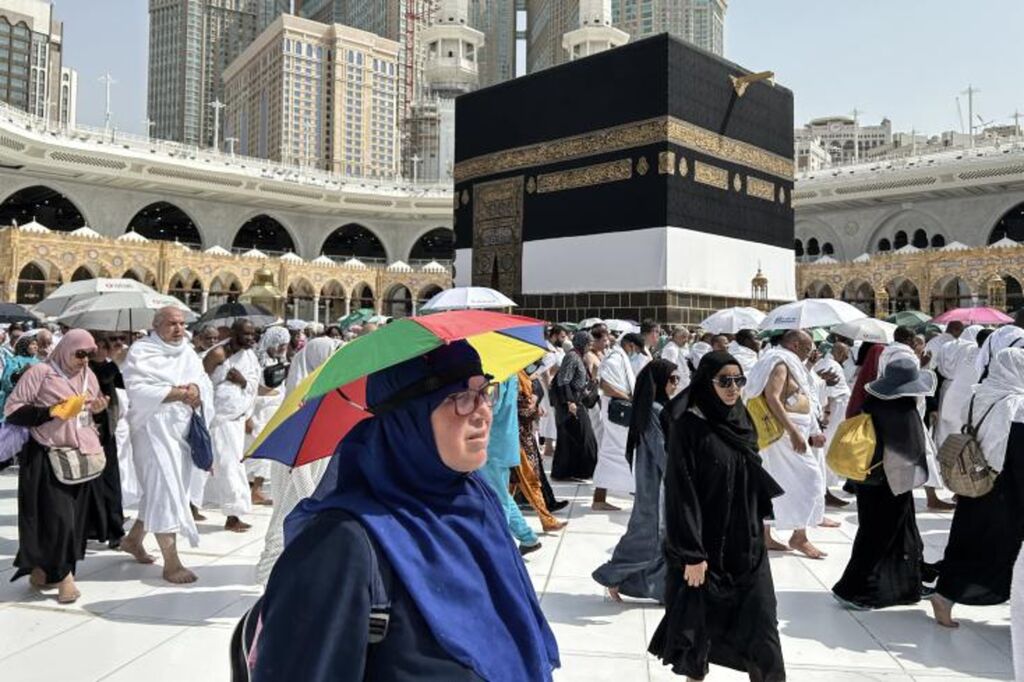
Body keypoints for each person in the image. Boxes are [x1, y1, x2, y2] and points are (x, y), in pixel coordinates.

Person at [254, 342, 560, 681]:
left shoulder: (476, 502)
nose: (483, 412)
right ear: (408, 416)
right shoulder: (341, 545)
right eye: (461, 396)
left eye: (484, 391)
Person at [649, 351, 785, 681]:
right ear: (706, 383)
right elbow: (681, 493)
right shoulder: (688, 427)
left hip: (747, 546)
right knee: (698, 633)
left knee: (763, 627)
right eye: (724, 381)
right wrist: (691, 554)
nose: (733, 388)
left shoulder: (742, 421)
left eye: (739, 380)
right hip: (705, 548)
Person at [4, 330, 110, 604]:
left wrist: (98, 409)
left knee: (75, 519)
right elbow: (13, 410)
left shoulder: (88, 376)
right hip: (45, 455)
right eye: (79, 354)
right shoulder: (41, 373)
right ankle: (65, 578)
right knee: (57, 518)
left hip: (80, 456)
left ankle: (45, 569)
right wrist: (51, 411)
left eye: (89, 354)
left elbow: (91, 414)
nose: (84, 360)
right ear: (65, 349)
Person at [930, 347, 1024, 628]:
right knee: (999, 545)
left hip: (974, 479)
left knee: (965, 538)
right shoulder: (1016, 405)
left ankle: (945, 595)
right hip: (1004, 489)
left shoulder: (979, 393)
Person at [832, 357, 935, 611]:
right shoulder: (903, 410)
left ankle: (910, 582)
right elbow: (910, 451)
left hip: (869, 477)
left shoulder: (872, 403)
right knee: (880, 536)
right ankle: (852, 589)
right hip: (891, 483)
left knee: (891, 532)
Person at [121, 306, 213, 584]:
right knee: (164, 489)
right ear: (157, 325)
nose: (179, 329)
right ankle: (171, 563)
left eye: (182, 324)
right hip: (153, 431)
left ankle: (133, 540)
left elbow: (204, 382)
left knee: (167, 488)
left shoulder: (187, 352)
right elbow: (137, 390)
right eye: (172, 323)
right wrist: (179, 393)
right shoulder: (142, 351)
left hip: (181, 431)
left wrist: (196, 390)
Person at [255, 337, 339, 585]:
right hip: (298, 473)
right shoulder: (300, 403)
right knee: (284, 525)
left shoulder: (323, 395)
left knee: (293, 529)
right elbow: (298, 460)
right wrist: (309, 497)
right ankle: (268, 582)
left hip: (313, 472)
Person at [593, 359, 678, 603]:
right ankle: (610, 575)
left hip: (660, 481)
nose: (675, 384)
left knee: (663, 536)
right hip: (655, 481)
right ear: (659, 382)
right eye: (671, 379)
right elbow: (661, 450)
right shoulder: (653, 410)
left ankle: (661, 590)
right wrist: (680, 477)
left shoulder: (660, 407)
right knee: (648, 535)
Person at [745, 330, 828, 559]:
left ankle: (774, 535)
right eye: (807, 348)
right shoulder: (780, 363)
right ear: (794, 345)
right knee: (811, 479)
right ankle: (797, 537)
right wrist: (793, 432)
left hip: (791, 432)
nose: (809, 352)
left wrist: (813, 430)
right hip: (782, 435)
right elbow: (772, 397)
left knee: (779, 482)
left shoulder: (787, 361)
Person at [204, 320, 260, 532]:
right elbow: (201, 381)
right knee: (228, 465)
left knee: (233, 464)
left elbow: (253, 383)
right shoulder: (218, 354)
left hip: (238, 417)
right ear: (233, 333)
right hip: (220, 419)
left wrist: (242, 381)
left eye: (253, 334)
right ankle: (232, 515)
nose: (251, 338)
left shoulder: (249, 355)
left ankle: (232, 512)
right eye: (246, 334)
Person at [480, 375, 542, 554]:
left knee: (498, 500)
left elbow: (491, 408)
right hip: (500, 442)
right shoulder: (507, 372)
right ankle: (527, 537)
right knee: (501, 494)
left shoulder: (497, 376)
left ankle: (501, 550)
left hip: (494, 446)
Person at [82, 332, 128, 549]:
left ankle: (115, 529)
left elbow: (123, 383)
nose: (103, 349)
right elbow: (100, 380)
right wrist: (116, 363)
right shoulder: (86, 368)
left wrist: (124, 365)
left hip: (107, 432)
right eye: (99, 345)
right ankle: (92, 527)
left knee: (110, 482)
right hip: (90, 432)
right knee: (90, 484)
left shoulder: (108, 367)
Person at [512, 368, 567, 530]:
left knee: (511, 488)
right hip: (517, 438)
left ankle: (542, 522)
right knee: (529, 481)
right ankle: (543, 522)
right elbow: (520, 409)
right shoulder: (512, 377)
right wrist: (534, 409)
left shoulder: (517, 374)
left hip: (521, 437)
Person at [245, 326, 291, 506]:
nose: (282, 348)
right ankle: (253, 490)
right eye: (280, 344)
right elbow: (253, 389)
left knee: (266, 452)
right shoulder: (258, 362)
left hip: (274, 411)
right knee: (256, 451)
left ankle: (256, 489)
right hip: (259, 411)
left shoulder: (278, 360)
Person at [551, 331, 598, 481]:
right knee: (583, 437)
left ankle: (572, 472)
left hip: (577, 402)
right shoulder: (572, 357)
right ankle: (577, 471)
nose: (590, 347)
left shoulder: (578, 356)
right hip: (571, 404)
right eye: (588, 344)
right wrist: (569, 402)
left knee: (574, 438)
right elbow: (563, 380)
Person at [815, 340, 852, 508]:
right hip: (833, 411)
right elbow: (828, 391)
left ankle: (825, 490)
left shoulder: (829, 363)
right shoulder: (830, 364)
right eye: (845, 354)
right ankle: (824, 491)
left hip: (837, 410)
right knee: (827, 449)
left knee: (829, 448)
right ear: (838, 352)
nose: (846, 358)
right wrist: (828, 412)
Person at [0, 334, 40, 418]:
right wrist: (21, 372)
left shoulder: (38, 362)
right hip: (16, 398)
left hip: (33, 399)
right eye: (32, 344)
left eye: (36, 344)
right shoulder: (15, 360)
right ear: (25, 346)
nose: (35, 347)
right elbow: (6, 380)